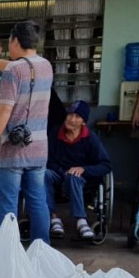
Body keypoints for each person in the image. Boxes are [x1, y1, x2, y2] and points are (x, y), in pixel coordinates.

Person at [0, 19, 53, 244]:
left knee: (7, 206)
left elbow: (4, 111)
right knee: (38, 202)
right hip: (38, 148)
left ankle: (6, 254)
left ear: (15, 41)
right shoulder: (46, 66)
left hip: (10, 150)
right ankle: (42, 252)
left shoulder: (13, 72)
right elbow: (21, 68)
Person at [45, 100, 111, 240]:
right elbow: (48, 160)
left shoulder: (90, 138)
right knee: (44, 174)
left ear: (83, 122)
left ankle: (81, 221)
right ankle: (53, 218)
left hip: (83, 179)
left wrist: (83, 169)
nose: (72, 119)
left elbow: (105, 165)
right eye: (70, 115)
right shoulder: (56, 133)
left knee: (74, 176)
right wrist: (62, 172)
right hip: (59, 174)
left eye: (77, 116)